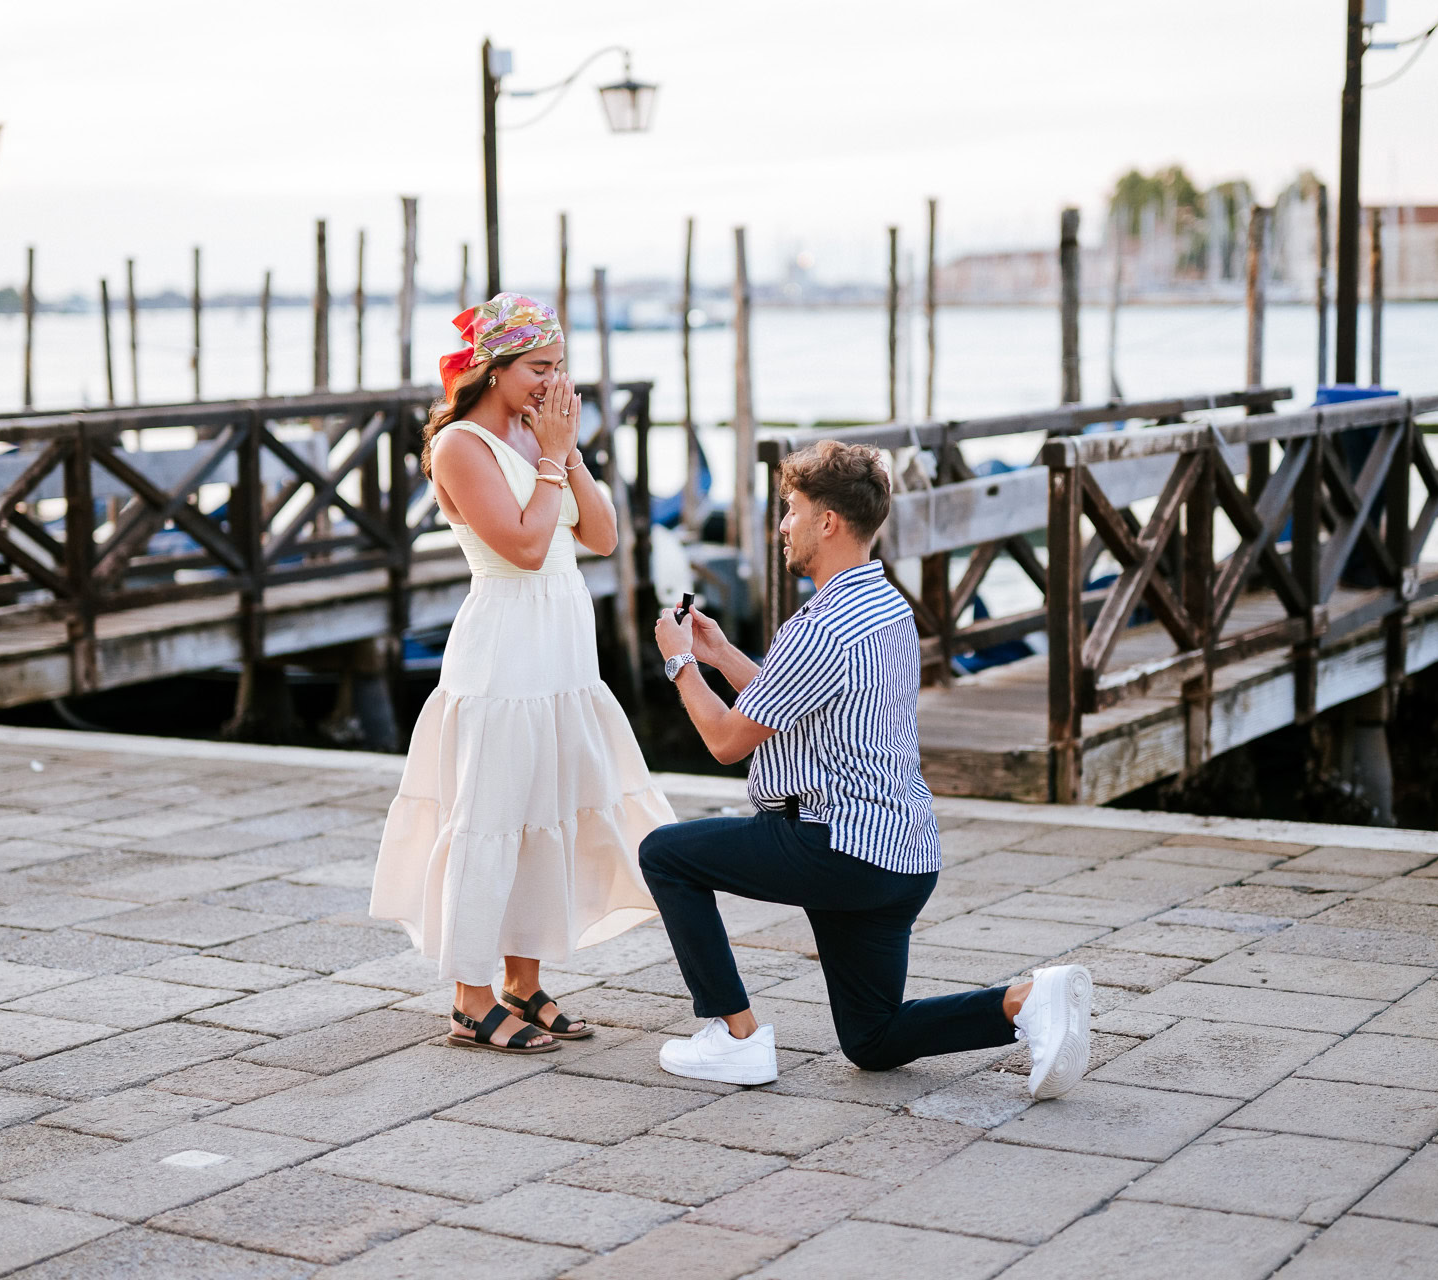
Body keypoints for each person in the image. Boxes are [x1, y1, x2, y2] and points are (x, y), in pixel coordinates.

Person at [642, 439, 1090, 1093]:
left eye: (792, 510)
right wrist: (722, 655)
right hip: (902, 855)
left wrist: (678, 660)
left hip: (834, 846)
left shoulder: (818, 625)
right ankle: (1026, 1001)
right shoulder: (885, 607)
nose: (782, 526)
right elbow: (797, 701)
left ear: (828, 521)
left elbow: (726, 741)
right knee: (872, 1040)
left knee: (665, 854)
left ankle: (735, 1036)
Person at [371, 294, 672, 1054]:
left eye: (559, 367)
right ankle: (471, 998)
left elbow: (600, 536)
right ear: (495, 368)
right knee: (492, 813)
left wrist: (565, 452)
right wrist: (548, 457)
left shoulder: (542, 437)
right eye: (539, 367)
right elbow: (524, 548)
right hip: (505, 647)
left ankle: (524, 979)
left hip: (563, 645)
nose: (552, 381)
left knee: (548, 809)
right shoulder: (462, 446)